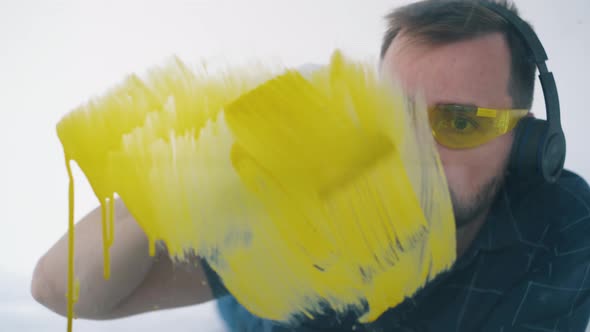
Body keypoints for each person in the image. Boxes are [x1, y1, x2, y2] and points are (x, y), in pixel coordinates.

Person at [31, 0, 590, 331]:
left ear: (529, 137)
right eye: (395, 115)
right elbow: (60, 288)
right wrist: (204, 171)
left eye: (461, 122)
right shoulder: (312, 207)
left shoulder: (568, 227)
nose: (416, 152)